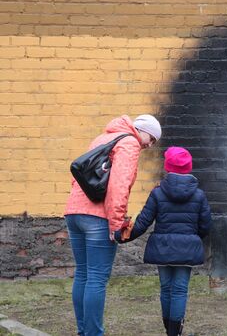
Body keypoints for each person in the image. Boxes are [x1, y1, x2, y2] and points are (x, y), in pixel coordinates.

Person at [64, 114, 162, 336]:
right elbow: (119, 185)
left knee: (83, 274)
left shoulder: (103, 137)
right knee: (96, 277)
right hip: (98, 217)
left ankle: (84, 332)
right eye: (152, 138)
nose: (150, 144)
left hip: (74, 211)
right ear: (141, 130)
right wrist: (116, 224)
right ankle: (93, 333)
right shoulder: (129, 142)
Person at [116, 146, 212, 336]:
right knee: (179, 290)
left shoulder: (158, 193)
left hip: (162, 248)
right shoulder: (199, 195)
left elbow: (143, 222)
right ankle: (174, 333)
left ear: (167, 168)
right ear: (189, 168)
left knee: (166, 288)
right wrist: (192, 239)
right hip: (186, 248)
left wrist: (121, 236)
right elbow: (206, 225)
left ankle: (170, 331)